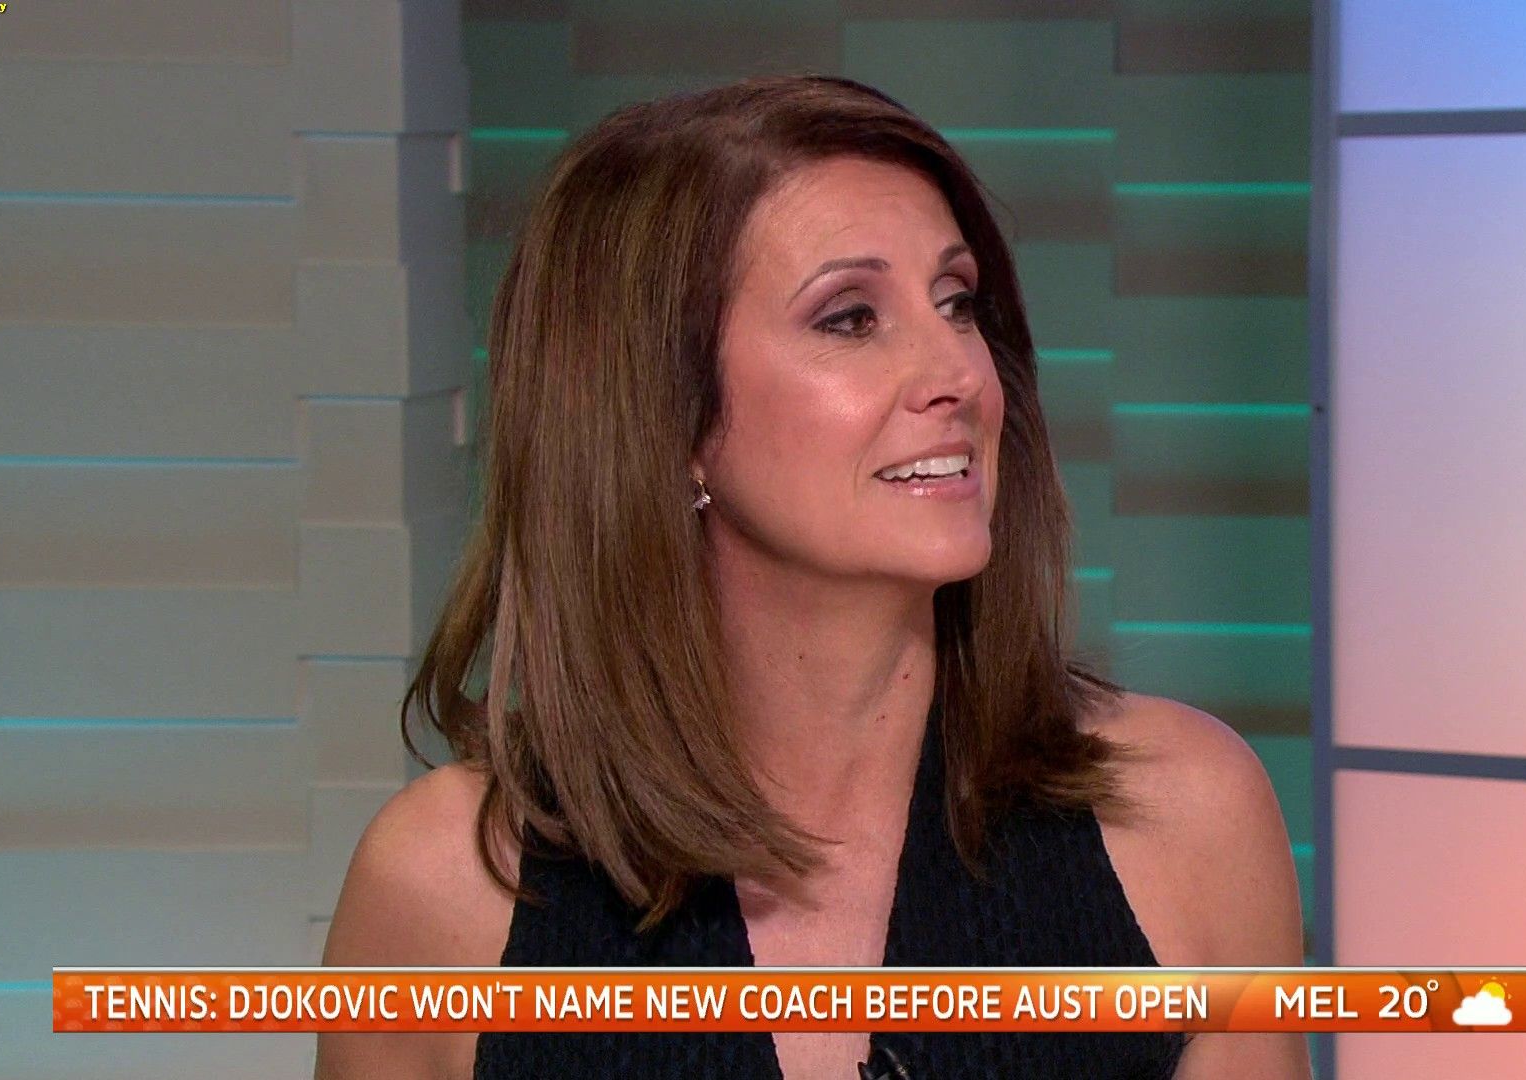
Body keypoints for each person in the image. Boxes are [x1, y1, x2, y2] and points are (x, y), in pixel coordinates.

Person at [315, 73, 1309, 1080]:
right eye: (850, 318)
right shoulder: (447, 888)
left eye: (958, 303)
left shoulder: (1184, 819)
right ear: (666, 416)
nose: (960, 376)